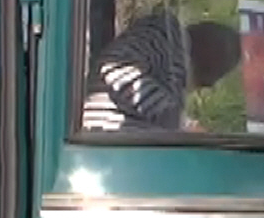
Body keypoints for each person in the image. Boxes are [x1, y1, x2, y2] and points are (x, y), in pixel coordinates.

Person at [81, 10, 242, 131]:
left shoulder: (169, 67)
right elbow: (116, 68)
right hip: (100, 136)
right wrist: (181, 123)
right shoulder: (162, 38)